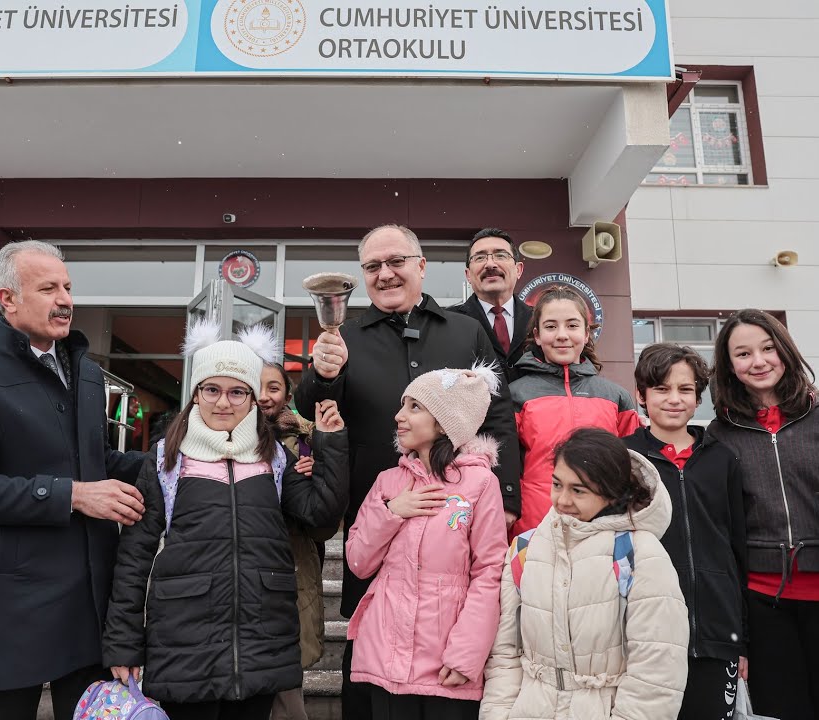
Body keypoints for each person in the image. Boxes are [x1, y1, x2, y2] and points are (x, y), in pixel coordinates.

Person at [294, 224, 522, 720]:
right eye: (373, 266)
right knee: (372, 646)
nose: (385, 273)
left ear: (421, 266)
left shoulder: (467, 331)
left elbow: (499, 414)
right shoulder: (345, 337)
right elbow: (313, 412)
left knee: (453, 633)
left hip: (456, 517)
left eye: (396, 261)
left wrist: (505, 498)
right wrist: (321, 375)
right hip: (378, 512)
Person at [0, 240, 149, 720]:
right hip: (10, 612)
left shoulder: (88, 375)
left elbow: (96, 459)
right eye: (48, 288)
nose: (65, 299)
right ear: (7, 299)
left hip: (88, 608)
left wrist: (180, 460)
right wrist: (73, 495)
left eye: (67, 287)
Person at [102, 320, 349, 720]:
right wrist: (124, 644)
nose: (223, 402)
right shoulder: (169, 459)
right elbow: (134, 557)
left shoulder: (276, 458)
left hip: (262, 643)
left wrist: (330, 444)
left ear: (252, 399)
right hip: (184, 646)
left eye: (237, 392)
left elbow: (320, 514)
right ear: (196, 394)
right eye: (212, 389)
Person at [705, 308, 819, 720]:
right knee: (779, 709)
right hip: (761, 598)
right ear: (729, 366)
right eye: (743, 354)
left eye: (768, 348)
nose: (758, 361)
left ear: (786, 352)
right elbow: (721, 524)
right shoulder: (720, 434)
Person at [480, 427, 689, 720]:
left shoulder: (640, 555)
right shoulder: (525, 549)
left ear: (611, 492)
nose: (562, 500)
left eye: (578, 490)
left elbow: (657, 673)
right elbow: (505, 657)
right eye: (557, 484)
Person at [345, 363, 508, 720]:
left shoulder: (480, 485)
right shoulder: (388, 482)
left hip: (447, 663)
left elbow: (489, 572)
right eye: (403, 406)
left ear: (446, 421)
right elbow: (358, 561)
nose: (399, 416)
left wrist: (467, 654)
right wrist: (392, 512)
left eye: (414, 407)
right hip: (384, 657)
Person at [624, 343, 748, 720]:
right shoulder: (625, 460)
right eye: (662, 389)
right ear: (641, 395)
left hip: (716, 633)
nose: (674, 399)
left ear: (698, 397)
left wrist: (741, 638)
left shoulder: (723, 459)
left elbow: (736, 547)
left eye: (685, 389)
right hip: (647, 634)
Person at [508, 285, 641, 538]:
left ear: (587, 333)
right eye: (550, 326)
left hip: (602, 526)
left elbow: (631, 464)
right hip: (534, 527)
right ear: (536, 335)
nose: (561, 335)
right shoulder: (515, 395)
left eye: (572, 325)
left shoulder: (616, 397)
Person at [259, 360, 338, 720]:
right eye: (256, 386)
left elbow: (322, 523)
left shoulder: (306, 444)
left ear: (288, 396)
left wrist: (314, 478)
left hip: (290, 568)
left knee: (286, 691)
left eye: (273, 388)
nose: (264, 397)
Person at [447, 228, 534, 382]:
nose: (490, 264)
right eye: (480, 258)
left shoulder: (539, 319)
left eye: (500, 255)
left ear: (518, 270)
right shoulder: (448, 323)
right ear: (468, 275)